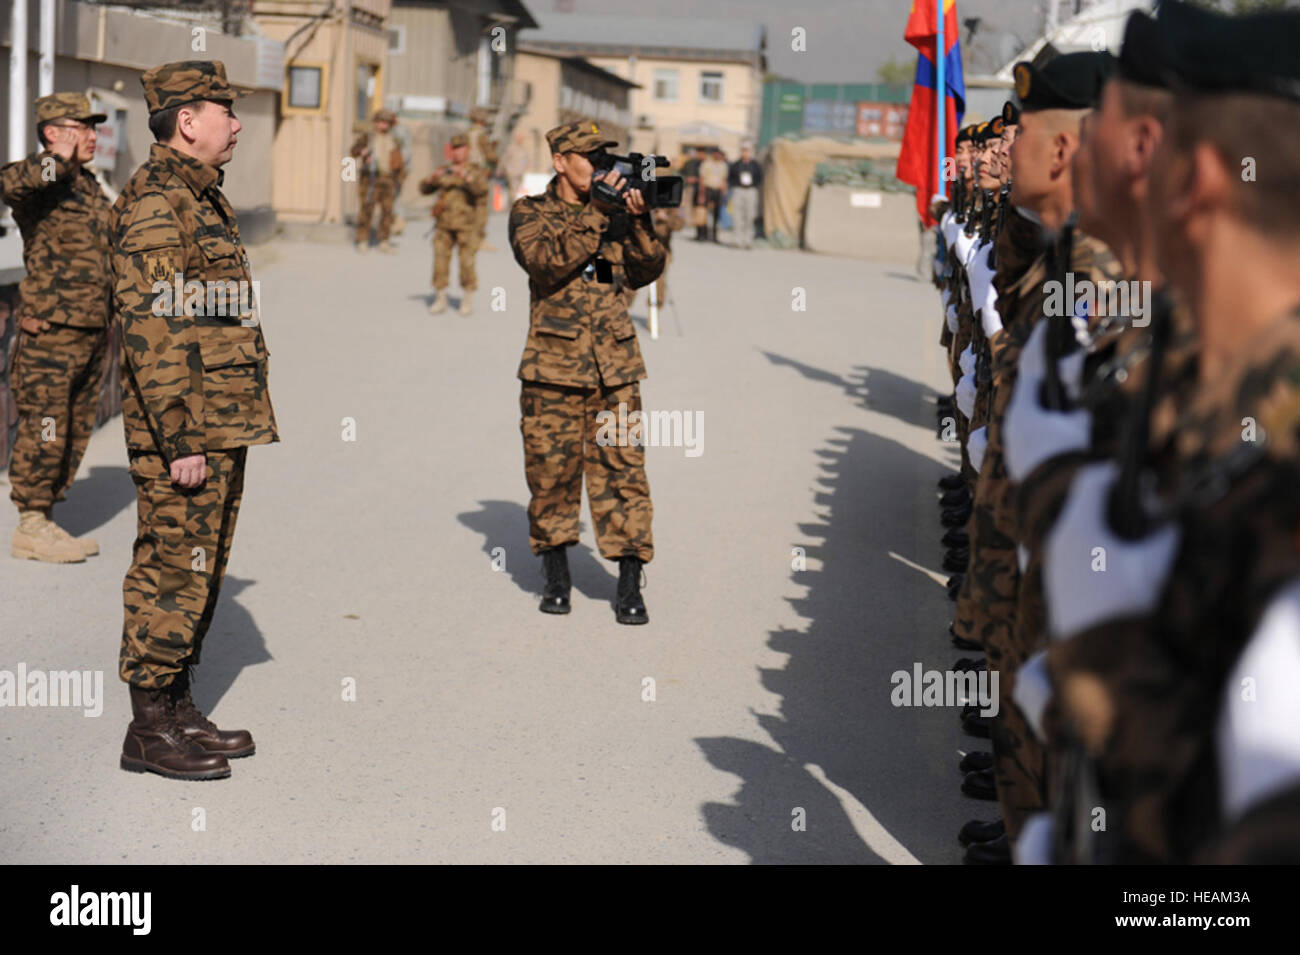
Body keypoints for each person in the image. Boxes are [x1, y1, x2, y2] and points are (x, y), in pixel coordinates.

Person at [110, 60, 279, 781]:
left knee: (201, 567)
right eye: (225, 111)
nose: (237, 124)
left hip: (222, 419)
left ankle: (178, 708)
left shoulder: (201, 197)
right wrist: (180, 436)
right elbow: (154, 327)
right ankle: (148, 729)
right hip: (185, 431)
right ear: (187, 121)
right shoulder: (157, 203)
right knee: (171, 568)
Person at [507, 121, 665, 624]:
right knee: (552, 476)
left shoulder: (615, 212)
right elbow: (546, 264)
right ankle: (557, 576)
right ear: (559, 162)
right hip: (552, 371)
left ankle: (629, 583)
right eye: (589, 157)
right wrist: (596, 213)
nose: (599, 166)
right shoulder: (531, 213)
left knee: (624, 474)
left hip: (614, 370)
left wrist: (638, 222)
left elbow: (646, 270)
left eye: (603, 157)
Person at [1, 93, 112, 563]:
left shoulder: (88, 186)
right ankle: (30, 523)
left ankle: (47, 516)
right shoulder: (44, 179)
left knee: (72, 428)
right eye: (82, 126)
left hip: (90, 328)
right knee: (45, 427)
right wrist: (55, 159)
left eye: (94, 127)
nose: (92, 135)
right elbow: (10, 186)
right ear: (52, 132)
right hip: (51, 332)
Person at [421, 133, 488, 316]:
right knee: (440, 262)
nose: (458, 153)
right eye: (455, 149)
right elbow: (424, 189)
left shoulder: (475, 171)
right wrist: (431, 179)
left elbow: (482, 191)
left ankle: (467, 300)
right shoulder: (445, 170)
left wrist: (467, 178)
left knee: (467, 263)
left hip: (467, 226)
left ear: (467, 150)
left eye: (461, 148)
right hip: (443, 224)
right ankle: (440, 298)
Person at [350, 108, 403, 253]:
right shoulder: (368, 137)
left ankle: (384, 240)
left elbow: (399, 161)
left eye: (386, 122)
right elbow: (353, 151)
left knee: (387, 211)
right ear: (376, 123)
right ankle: (362, 240)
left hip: (388, 178)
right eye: (380, 122)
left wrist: (399, 179)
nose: (383, 125)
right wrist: (363, 152)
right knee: (367, 209)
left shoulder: (394, 139)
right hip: (371, 178)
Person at [467, 107, 500, 252]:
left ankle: (467, 237)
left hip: (466, 172)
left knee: (469, 205)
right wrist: (495, 154)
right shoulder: (481, 134)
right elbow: (490, 155)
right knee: (481, 206)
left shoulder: (467, 133)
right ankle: (479, 239)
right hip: (478, 172)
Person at [727, 143, 762, 249]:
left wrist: (753, 184)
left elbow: (760, 177)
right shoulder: (736, 164)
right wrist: (736, 184)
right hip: (738, 190)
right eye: (743, 150)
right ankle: (736, 240)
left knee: (750, 216)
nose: (745, 153)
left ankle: (748, 241)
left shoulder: (755, 165)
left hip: (751, 191)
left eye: (747, 151)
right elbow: (730, 177)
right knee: (737, 216)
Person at [698, 148, 728, 243]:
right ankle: (704, 234)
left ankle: (714, 236)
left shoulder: (723, 165)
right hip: (708, 189)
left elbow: (724, 179)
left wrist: (724, 191)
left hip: (718, 190)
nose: (717, 156)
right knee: (705, 213)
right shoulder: (707, 163)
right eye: (716, 154)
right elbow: (702, 179)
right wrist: (701, 194)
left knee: (716, 214)